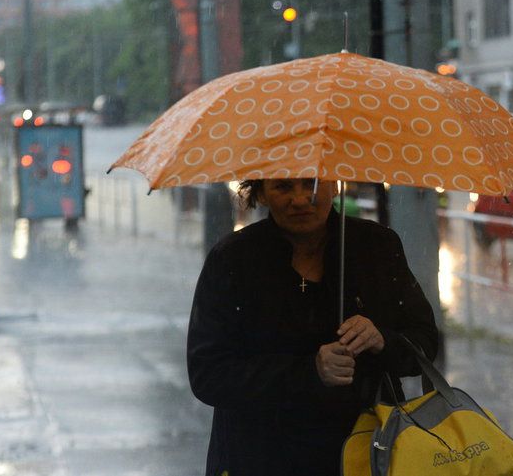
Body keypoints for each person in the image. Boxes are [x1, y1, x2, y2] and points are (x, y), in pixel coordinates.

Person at [187, 178, 439, 475]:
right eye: (282, 186)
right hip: (258, 456)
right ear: (261, 193)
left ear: (335, 185)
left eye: (313, 184)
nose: (300, 198)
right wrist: (310, 371)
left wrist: (382, 340)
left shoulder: (377, 247)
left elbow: (424, 343)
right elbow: (208, 374)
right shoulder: (232, 259)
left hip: (367, 454)